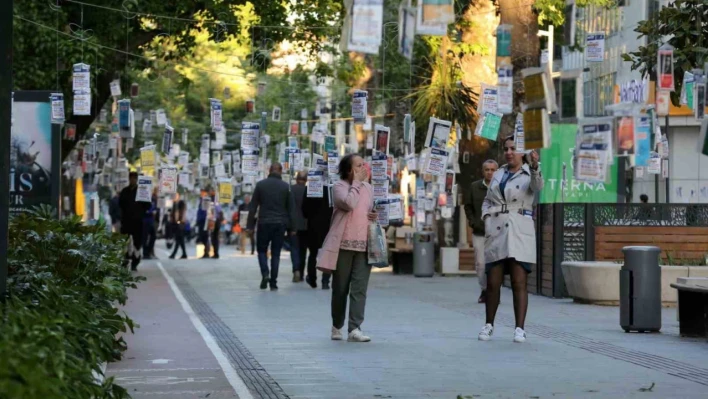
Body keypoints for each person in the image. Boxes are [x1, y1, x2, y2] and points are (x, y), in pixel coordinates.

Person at [478, 137, 543, 343]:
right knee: (493, 281)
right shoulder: (498, 173)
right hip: (496, 229)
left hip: (519, 229)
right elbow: (488, 199)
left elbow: (538, 185)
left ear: (522, 152)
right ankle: (489, 325)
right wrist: (486, 217)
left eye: (514, 149)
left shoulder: (528, 173)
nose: (509, 152)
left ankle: (519, 328)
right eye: (506, 148)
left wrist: (534, 166)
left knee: (518, 281)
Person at [317, 154, 377, 343]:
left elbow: (366, 210)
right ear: (349, 170)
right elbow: (349, 203)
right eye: (359, 165)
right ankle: (337, 325)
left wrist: (373, 215)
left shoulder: (369, 188)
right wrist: (357, 183)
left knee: (359, 288)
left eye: (363, 164)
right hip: (343, 244)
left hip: (364, 244)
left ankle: (355, 328)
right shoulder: (339, 187)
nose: (363, 167)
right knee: (340, 287)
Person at [247, 163, 295, 291]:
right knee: (276, 253)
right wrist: (292, 228)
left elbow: (253, 207)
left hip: (264, 222)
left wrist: (249, 226)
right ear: (281, 171)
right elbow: (291, 209)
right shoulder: (286, 187)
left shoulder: (261, 185)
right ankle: (273, 282)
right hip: (280, 224)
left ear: (269, 170)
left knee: (262, 250)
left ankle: (265, 273)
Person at [464, 160, 499, 304]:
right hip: (480, 232)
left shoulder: (501, 187)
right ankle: (485, 289)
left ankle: (494, 291)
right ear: (483, 171)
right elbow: (468, 207)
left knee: (497, 264)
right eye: (487, 169)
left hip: (497, 233)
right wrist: (473, 223)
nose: (490, 172)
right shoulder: (474, 187)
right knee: (480, 264)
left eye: (492, 170)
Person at [302, 179, 333, 290]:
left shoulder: (311, 188)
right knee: (327, 253)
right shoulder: (332, 187)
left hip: (313, 225)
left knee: (313, 254)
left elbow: (304, 209)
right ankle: (325, 281)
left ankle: (312, 279)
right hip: (329, 225)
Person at [119, 172, 151, 271]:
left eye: (134, 178)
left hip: (138, 221)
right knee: (125, 242)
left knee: (137, 243)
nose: (132, 180)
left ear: (137, 180)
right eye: (131, 178)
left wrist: (141, 211)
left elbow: (148, 206)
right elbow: (120, 204)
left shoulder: (142, 191)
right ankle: (126, 260)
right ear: (129, 179)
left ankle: (135, 262)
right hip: (126, 221)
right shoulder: (125, 191)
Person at [290, 171, 309, 282]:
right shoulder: (309, 191)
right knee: (303, 250)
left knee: (294, 249)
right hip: (306, 225)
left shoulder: (291, 189)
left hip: (294, 225)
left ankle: (296, 270)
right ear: (306, 180)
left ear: (297, 179)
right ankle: (301, 273)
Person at [143, 188, 158, 260]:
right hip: (145, 220)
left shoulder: (153, 199)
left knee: (153, 236)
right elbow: (143, 210)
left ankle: (148, 251)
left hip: (151, 220)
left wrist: (154, 211)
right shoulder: (143, 199)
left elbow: (155, 207)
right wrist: (150, 212)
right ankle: (145, 253)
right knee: (145, 237)